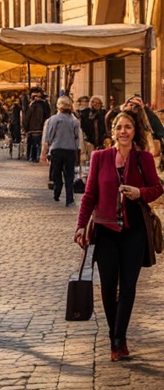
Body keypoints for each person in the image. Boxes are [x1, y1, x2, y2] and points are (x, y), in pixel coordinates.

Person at [76, 109, 163, 361]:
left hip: (134, 230)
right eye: (119, 127)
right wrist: (81, 225)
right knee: (107, 288)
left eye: (128, 127)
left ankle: (117, 340)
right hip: (105, 230)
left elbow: (157, 187)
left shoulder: (143, 158)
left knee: (127, 287)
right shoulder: (100, 157)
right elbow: (90, 194)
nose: (123, 131)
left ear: (134, 131)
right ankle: (116, 337)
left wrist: (139, 193)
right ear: (113, 131)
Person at [41, 96, 83, 207]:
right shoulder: (74, 121)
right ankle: (69, 199)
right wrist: (79, 151)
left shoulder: (53, 119)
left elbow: (49, 136)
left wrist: (44, 152)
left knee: (57, 172)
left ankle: (57, 190)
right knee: (69, 175)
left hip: (57, 149)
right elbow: (77, 137)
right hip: (70, 150)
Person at [23, 90, 51, 163]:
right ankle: (38, 157)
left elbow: (27, 117)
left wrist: (25, 128)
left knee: (32, 143)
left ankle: (32, 157)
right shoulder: (45, 105)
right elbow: (48, 115)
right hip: (41, 128)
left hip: (32, 129)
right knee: (39, 143)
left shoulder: (32, 106)